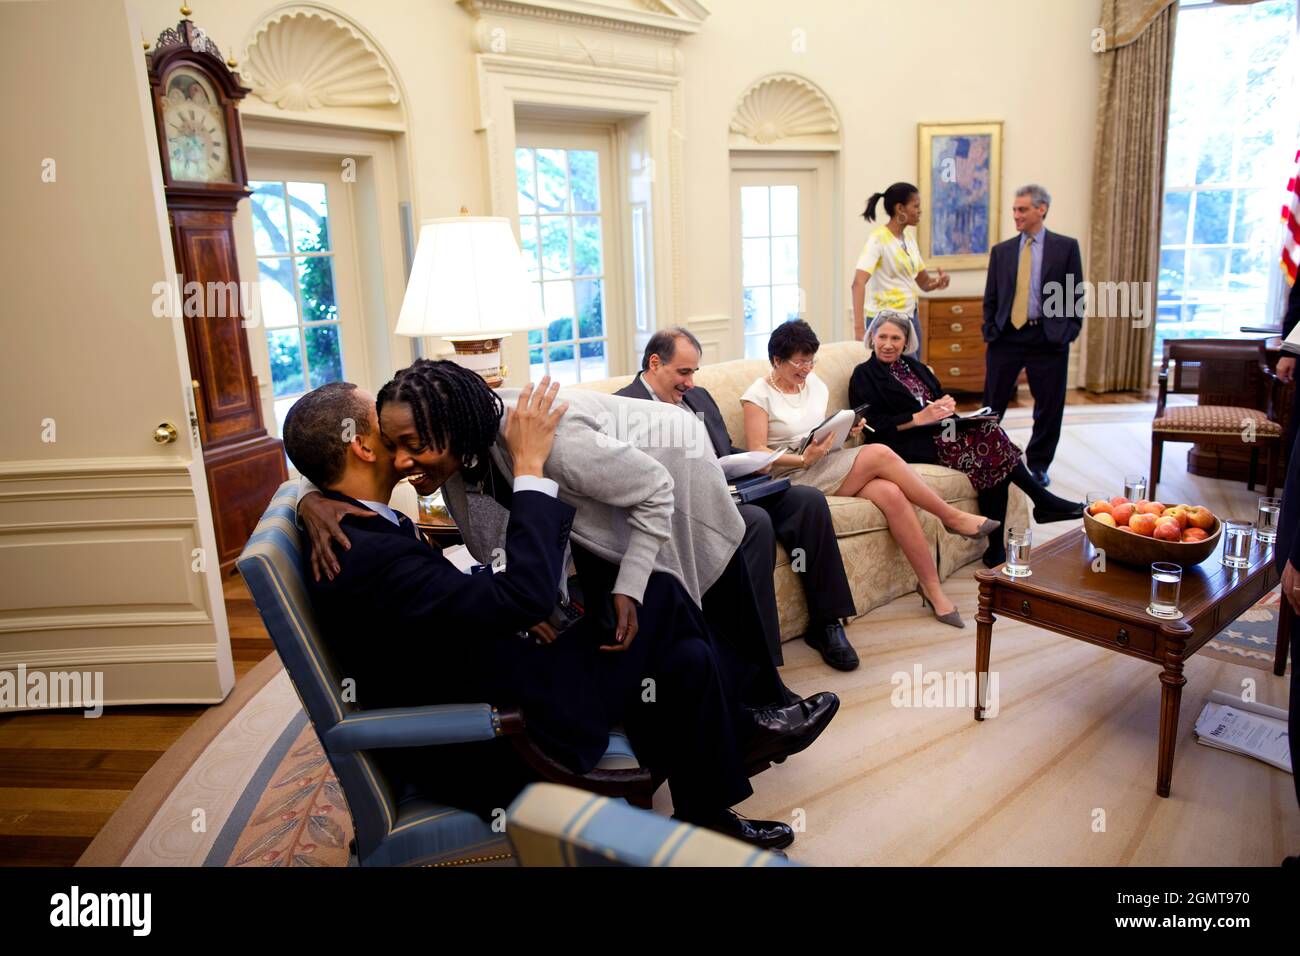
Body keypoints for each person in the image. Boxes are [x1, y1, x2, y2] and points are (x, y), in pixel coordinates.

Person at [282, 378, 818, 848]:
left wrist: (309, 496)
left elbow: (443, 598)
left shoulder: (346, 522)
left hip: (496, 670)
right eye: (383, 427)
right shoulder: (363, 552)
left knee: (672, 633)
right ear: (362, 448)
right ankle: (740, 734)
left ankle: (714, 792)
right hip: (497, 731)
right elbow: (528, 596)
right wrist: (530, 468)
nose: (401, 445)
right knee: (663, 614)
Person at [617, 327, 860, 671]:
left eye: (694, 372)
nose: (690, 382)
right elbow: (636, 478)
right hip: (686, 507)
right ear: (655, 363)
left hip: (732, 486)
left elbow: (725, 451)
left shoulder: (699, 397)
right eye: (683, 372)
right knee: (756, 522)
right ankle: (761, 665)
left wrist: (757, 462)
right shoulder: (626, 407)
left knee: (807, 502)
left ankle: (827, 623)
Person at [741, 320, 999, 630]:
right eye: (799, 361)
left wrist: (846, 433)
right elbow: (758, 455)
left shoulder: (814, 385)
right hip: (791, 479)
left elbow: (818, 438)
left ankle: (933, 590)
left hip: (824, 465)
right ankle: (952, 518)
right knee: (879, 453)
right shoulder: (758, 394)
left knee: (891, 494)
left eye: (810, 360)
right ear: (776, 360)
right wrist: (801, 460)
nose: (806, 368)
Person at [849, 312, 1085, 567]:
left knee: (991, 448)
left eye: (896, 338)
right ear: (872, 337)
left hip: (940, 430)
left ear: (906, 342)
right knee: (991, 441)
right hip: (904, 442)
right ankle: (1041, 503)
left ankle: (998, 548)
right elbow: (873, 427)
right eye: (882, 336)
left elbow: (937, 398)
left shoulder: (916, 368)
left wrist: (945, 405)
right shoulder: (863, 375)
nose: (888, 344)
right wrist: (918, 418)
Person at [981, 184, 1085, 488]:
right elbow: (991, 296)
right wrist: (990, 328)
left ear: (1041, 209)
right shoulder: (1002, 251)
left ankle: (1038, 465)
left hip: (1048, 337)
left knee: (1049, 406)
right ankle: (985, 456)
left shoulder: (1065, 248)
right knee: (992, 404)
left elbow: (1073, 293)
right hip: (1006, 337)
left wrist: (1070, 330)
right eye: (1014, 209)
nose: (1016, 215)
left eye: (1022, 209)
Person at [851, 181, 950, 356]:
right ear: (900, 209)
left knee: (913, 372)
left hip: (910, 316)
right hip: (886, 320)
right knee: (893, 376)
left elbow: (924, 282)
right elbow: (858, 283)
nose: (920, 211)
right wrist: (859, 329)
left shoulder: (909, 239)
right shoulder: (878, 239)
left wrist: (938, 283)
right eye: (916, 206)